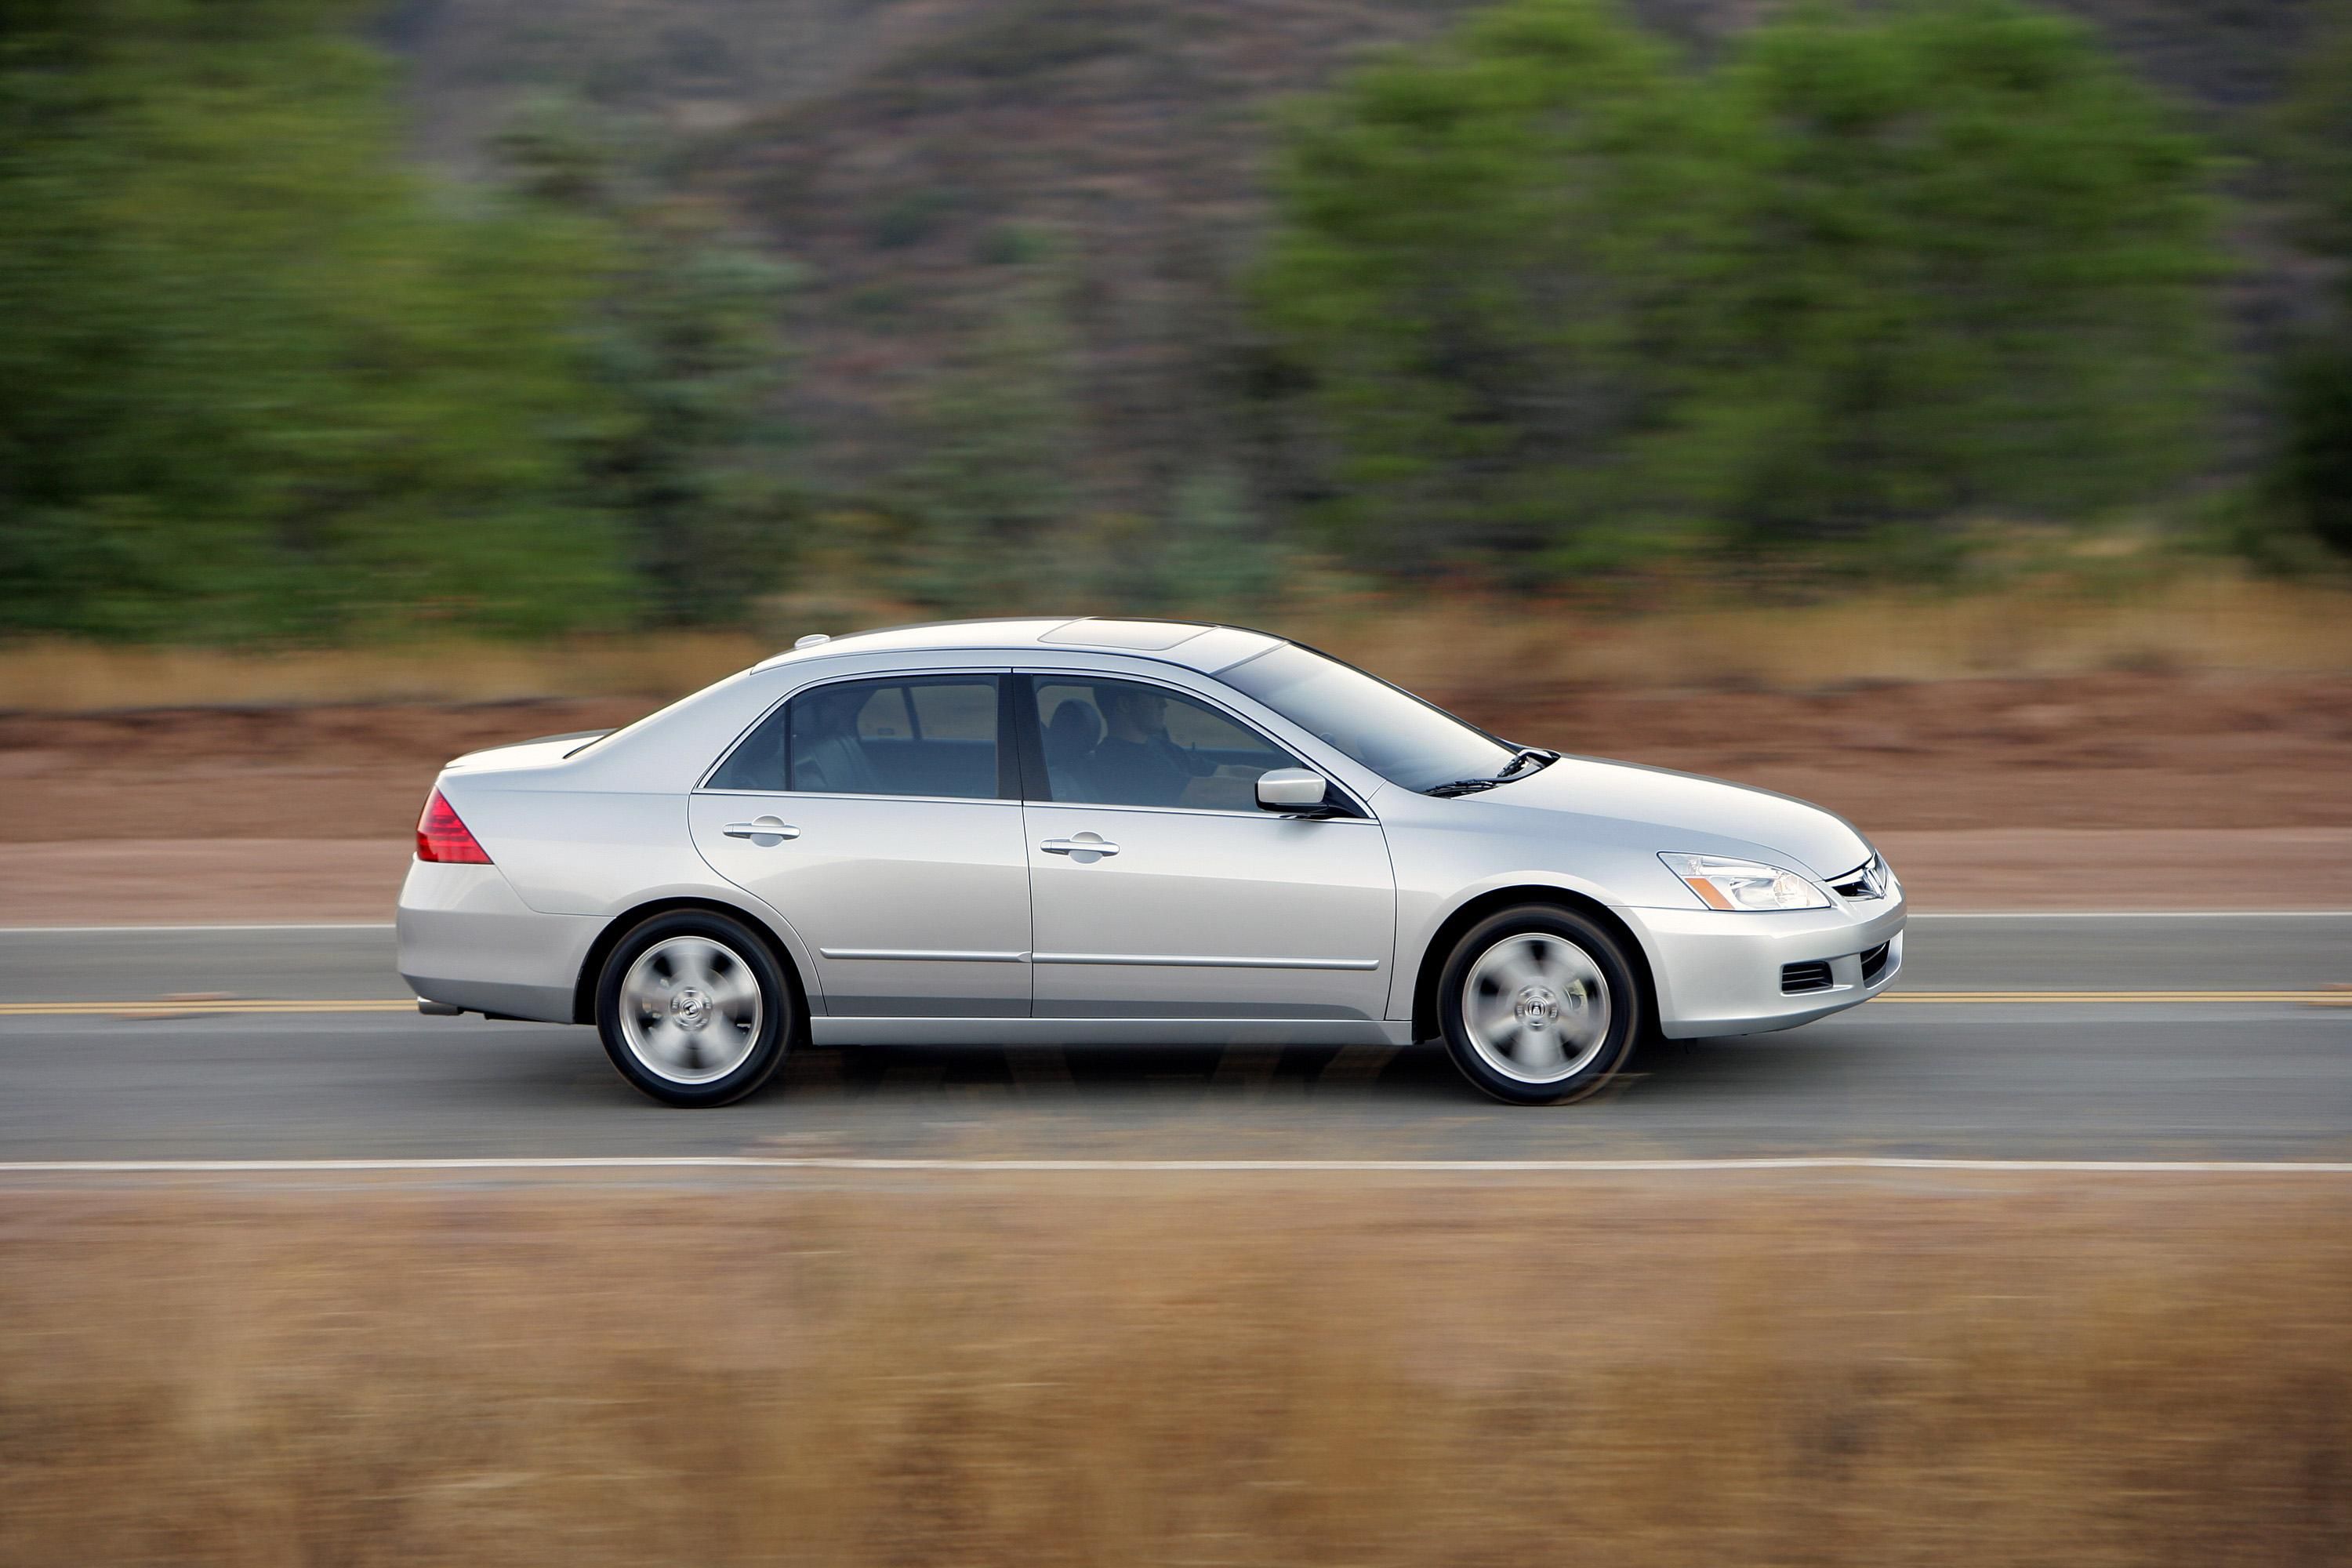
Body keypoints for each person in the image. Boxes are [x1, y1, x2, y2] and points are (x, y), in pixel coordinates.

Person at [1085, 685, 1209, 807]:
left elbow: (1212, 770)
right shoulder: (1117, 764)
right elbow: (1205, 794)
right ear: (1125, 705)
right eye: (1153, 697)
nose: (1164, 704)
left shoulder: (1161, 746)